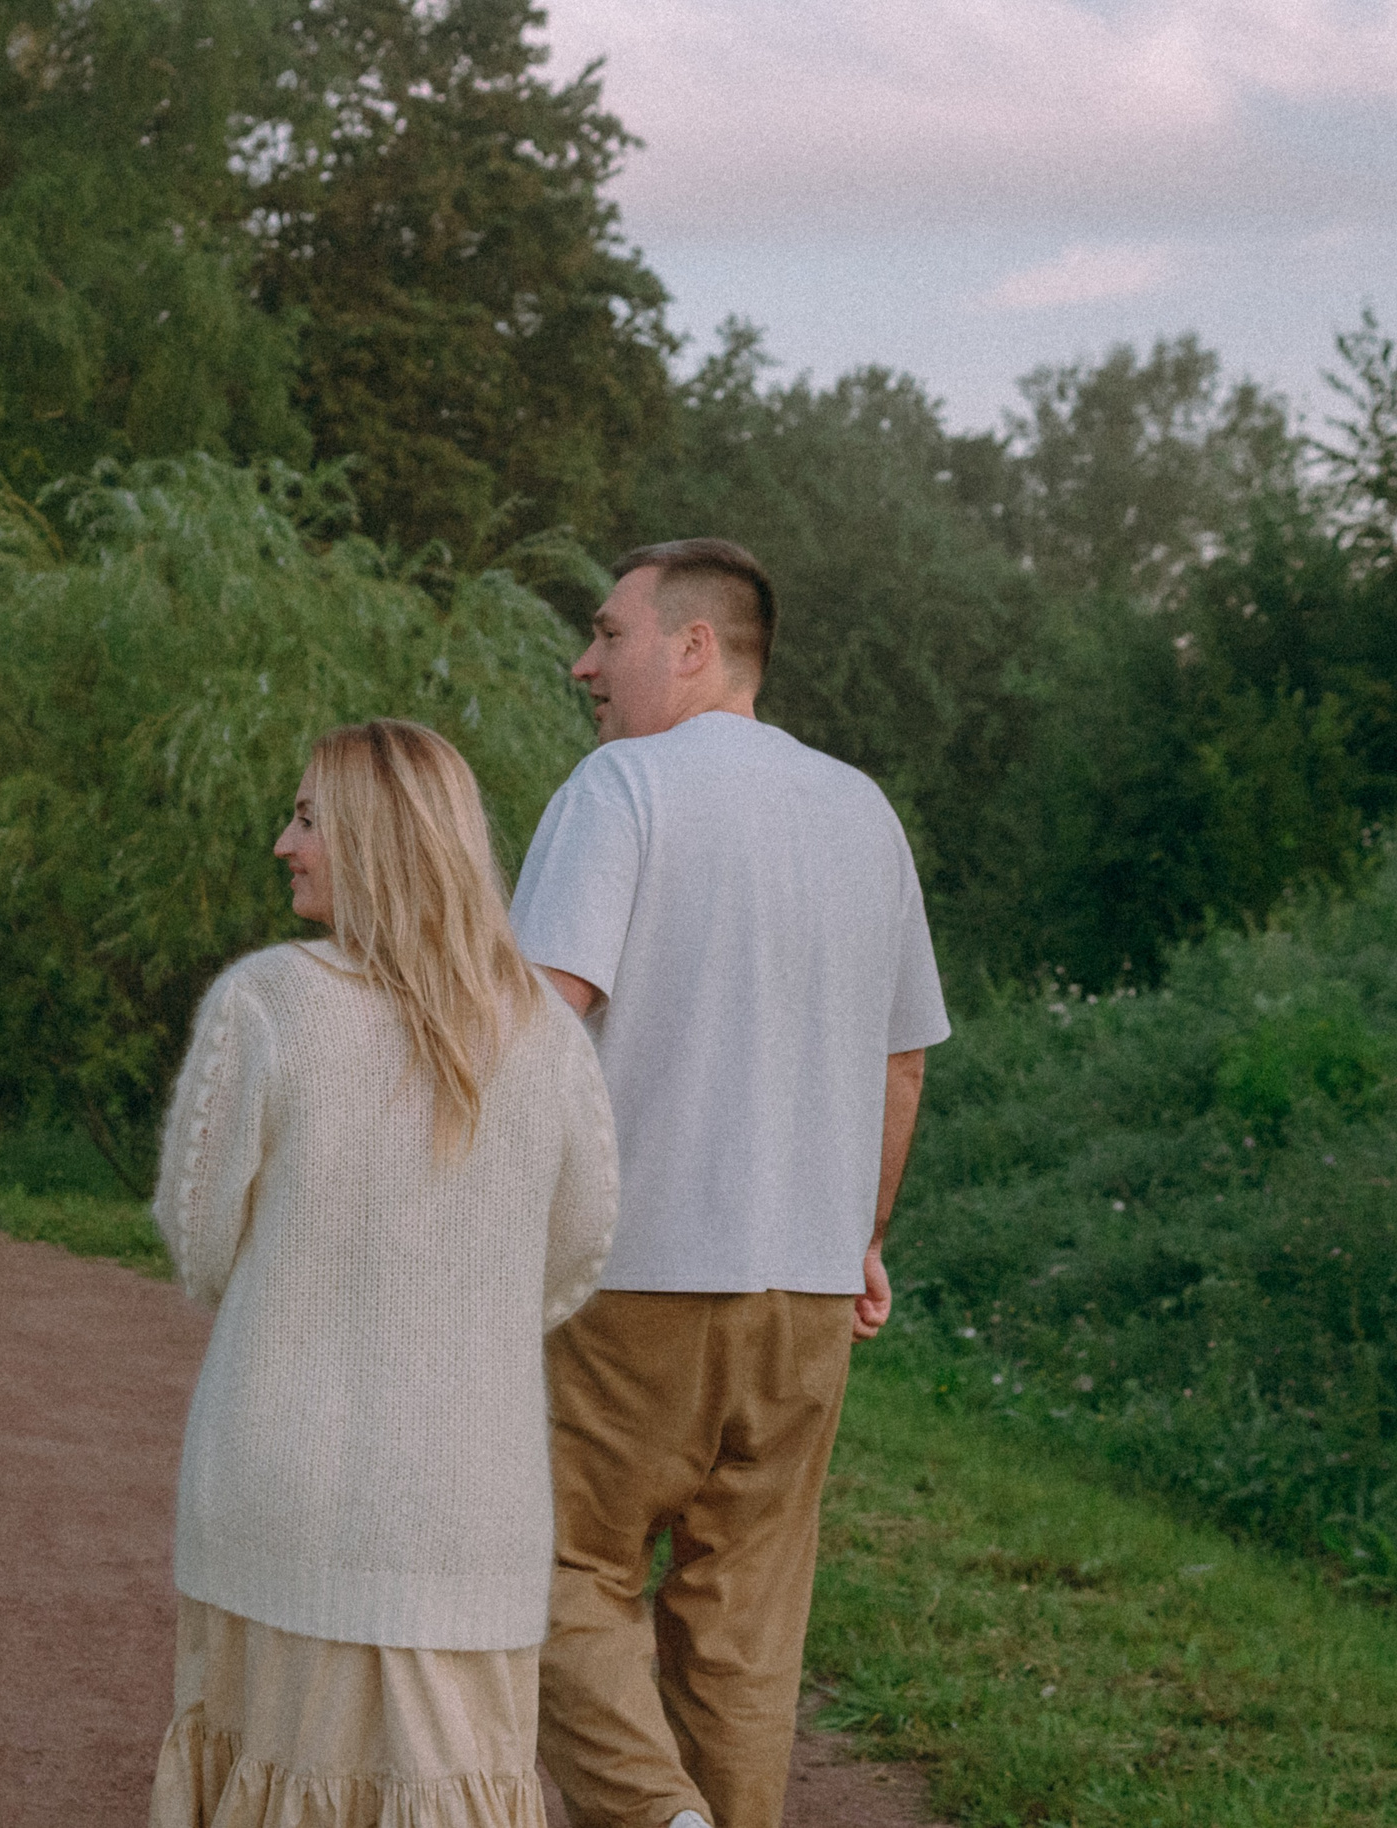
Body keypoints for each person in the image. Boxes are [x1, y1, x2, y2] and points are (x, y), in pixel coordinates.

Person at [508, 539, 951, 1828]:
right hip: (808, 1295)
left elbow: (540, 1025)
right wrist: (861, 1235)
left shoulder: (620, 787)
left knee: (543, 1566)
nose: (584, 662)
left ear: (694, 645)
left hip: (634, 1275)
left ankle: (656, 1816)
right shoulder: (862, 809)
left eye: (608, 633)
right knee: (744, 1622)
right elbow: (901, 1062)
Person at [148, 718, 620, 1828]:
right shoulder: (543, 1029)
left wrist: (306, 1293)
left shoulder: (266, 1003)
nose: (283, 842)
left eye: (307, 816)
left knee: (278, 1782)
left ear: (372, 835)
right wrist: (468, 1311)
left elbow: (201, 1239)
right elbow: (578, 1246)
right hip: (472, 1505)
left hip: (283, 1492)